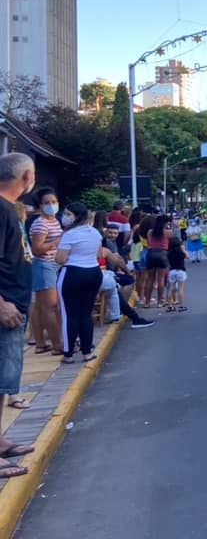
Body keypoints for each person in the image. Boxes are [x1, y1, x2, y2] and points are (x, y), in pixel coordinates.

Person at [0, 154, 38, 476]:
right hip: (5, 308)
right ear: (26, 177)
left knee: (4, 380)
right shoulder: (0, 209)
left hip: (14, 307)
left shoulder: (8, 210)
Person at [54, 202, 102, 364]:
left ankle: (68, 354)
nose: (64, 217)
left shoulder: (69, 235)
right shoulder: (95, 233)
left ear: (76, 216)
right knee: (85, 314)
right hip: (93, 273)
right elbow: (98, 254)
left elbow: (59, 259)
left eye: (68, 214)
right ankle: (87, 352)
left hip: (72, 274)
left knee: (69, 315)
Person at [27, 187, 64, 355]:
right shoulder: (40, 224)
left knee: (49, 307)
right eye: (47, 203)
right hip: (44, 266)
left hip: (54, 265)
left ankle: (46, 343)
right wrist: (57, 241)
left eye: (54, 202)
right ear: (40, 206)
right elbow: (37, 249)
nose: (51, 205)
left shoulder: (55, 221)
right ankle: (58, 344)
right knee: (49, 307)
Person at [142, 215, 173, 309]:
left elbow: (148, 243)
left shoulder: (150, 232)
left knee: (150, 279)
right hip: (162, 254)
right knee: (161, 279)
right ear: (165, 223)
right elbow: (171, 243)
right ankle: (159, 302)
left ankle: (147, 302)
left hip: (151, 254)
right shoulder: (168, 232)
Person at [165, 237, 189, 313]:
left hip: (172, 271)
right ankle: (181, 306)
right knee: (180, 289)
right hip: (181, 271)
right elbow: (188, 256)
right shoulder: (180, 252)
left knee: (171, 288)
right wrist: (184, 250)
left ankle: (170, 306)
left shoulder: (168, 253)